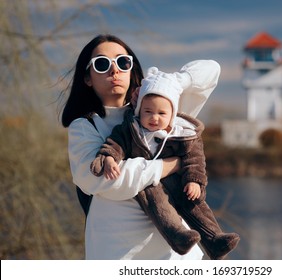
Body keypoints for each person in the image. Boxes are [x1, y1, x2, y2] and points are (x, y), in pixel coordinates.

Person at [61, 34, 221, 260]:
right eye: (102, 63)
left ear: (131, 68)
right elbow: (101, 179)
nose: (114, 70)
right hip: (119, 254)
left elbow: (211, 70)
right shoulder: (85, 126)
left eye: (122, 62)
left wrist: (173, 84)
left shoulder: (160, 107)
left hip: (178, 258)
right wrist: (170, 165)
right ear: (87, 77)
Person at [90, 68, 240, 259]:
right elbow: (114, 144)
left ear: (172, 115)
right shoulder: (131, 130)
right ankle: (178, 236)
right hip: (150, 184)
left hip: (180, 181)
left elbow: (195, 160)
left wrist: (194, 181)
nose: (154, 118)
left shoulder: (182, 134)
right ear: (139, 111)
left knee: (195, 204)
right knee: (159, 206)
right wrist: (109, 158)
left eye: (162, 113)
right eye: (148, 112)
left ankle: (214, 239)